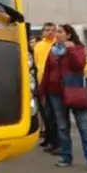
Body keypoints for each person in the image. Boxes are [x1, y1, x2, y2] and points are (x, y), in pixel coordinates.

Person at [39, 23, 87, 171]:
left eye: (60, 32)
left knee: (84, 127)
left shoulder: (77, 49)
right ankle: (66, 156)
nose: (57, 34)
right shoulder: (53, 51)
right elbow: (47, 72)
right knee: (62, 127)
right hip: (55, 93)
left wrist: (71, 49)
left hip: (74, 92)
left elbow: (79, 65)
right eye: (57, 32)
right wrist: (42, 91)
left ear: (68, 35)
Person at [34, 23, 59, 152]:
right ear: (43, 32)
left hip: (54, 82)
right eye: (47, 30)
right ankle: (48, 138)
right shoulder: (38, 46)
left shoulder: (57, 45)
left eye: (52, 30)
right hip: (41, 82)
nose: (50, 32)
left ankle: (55, 141)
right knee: (45, 113)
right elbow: (36, 64)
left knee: (54, 114)